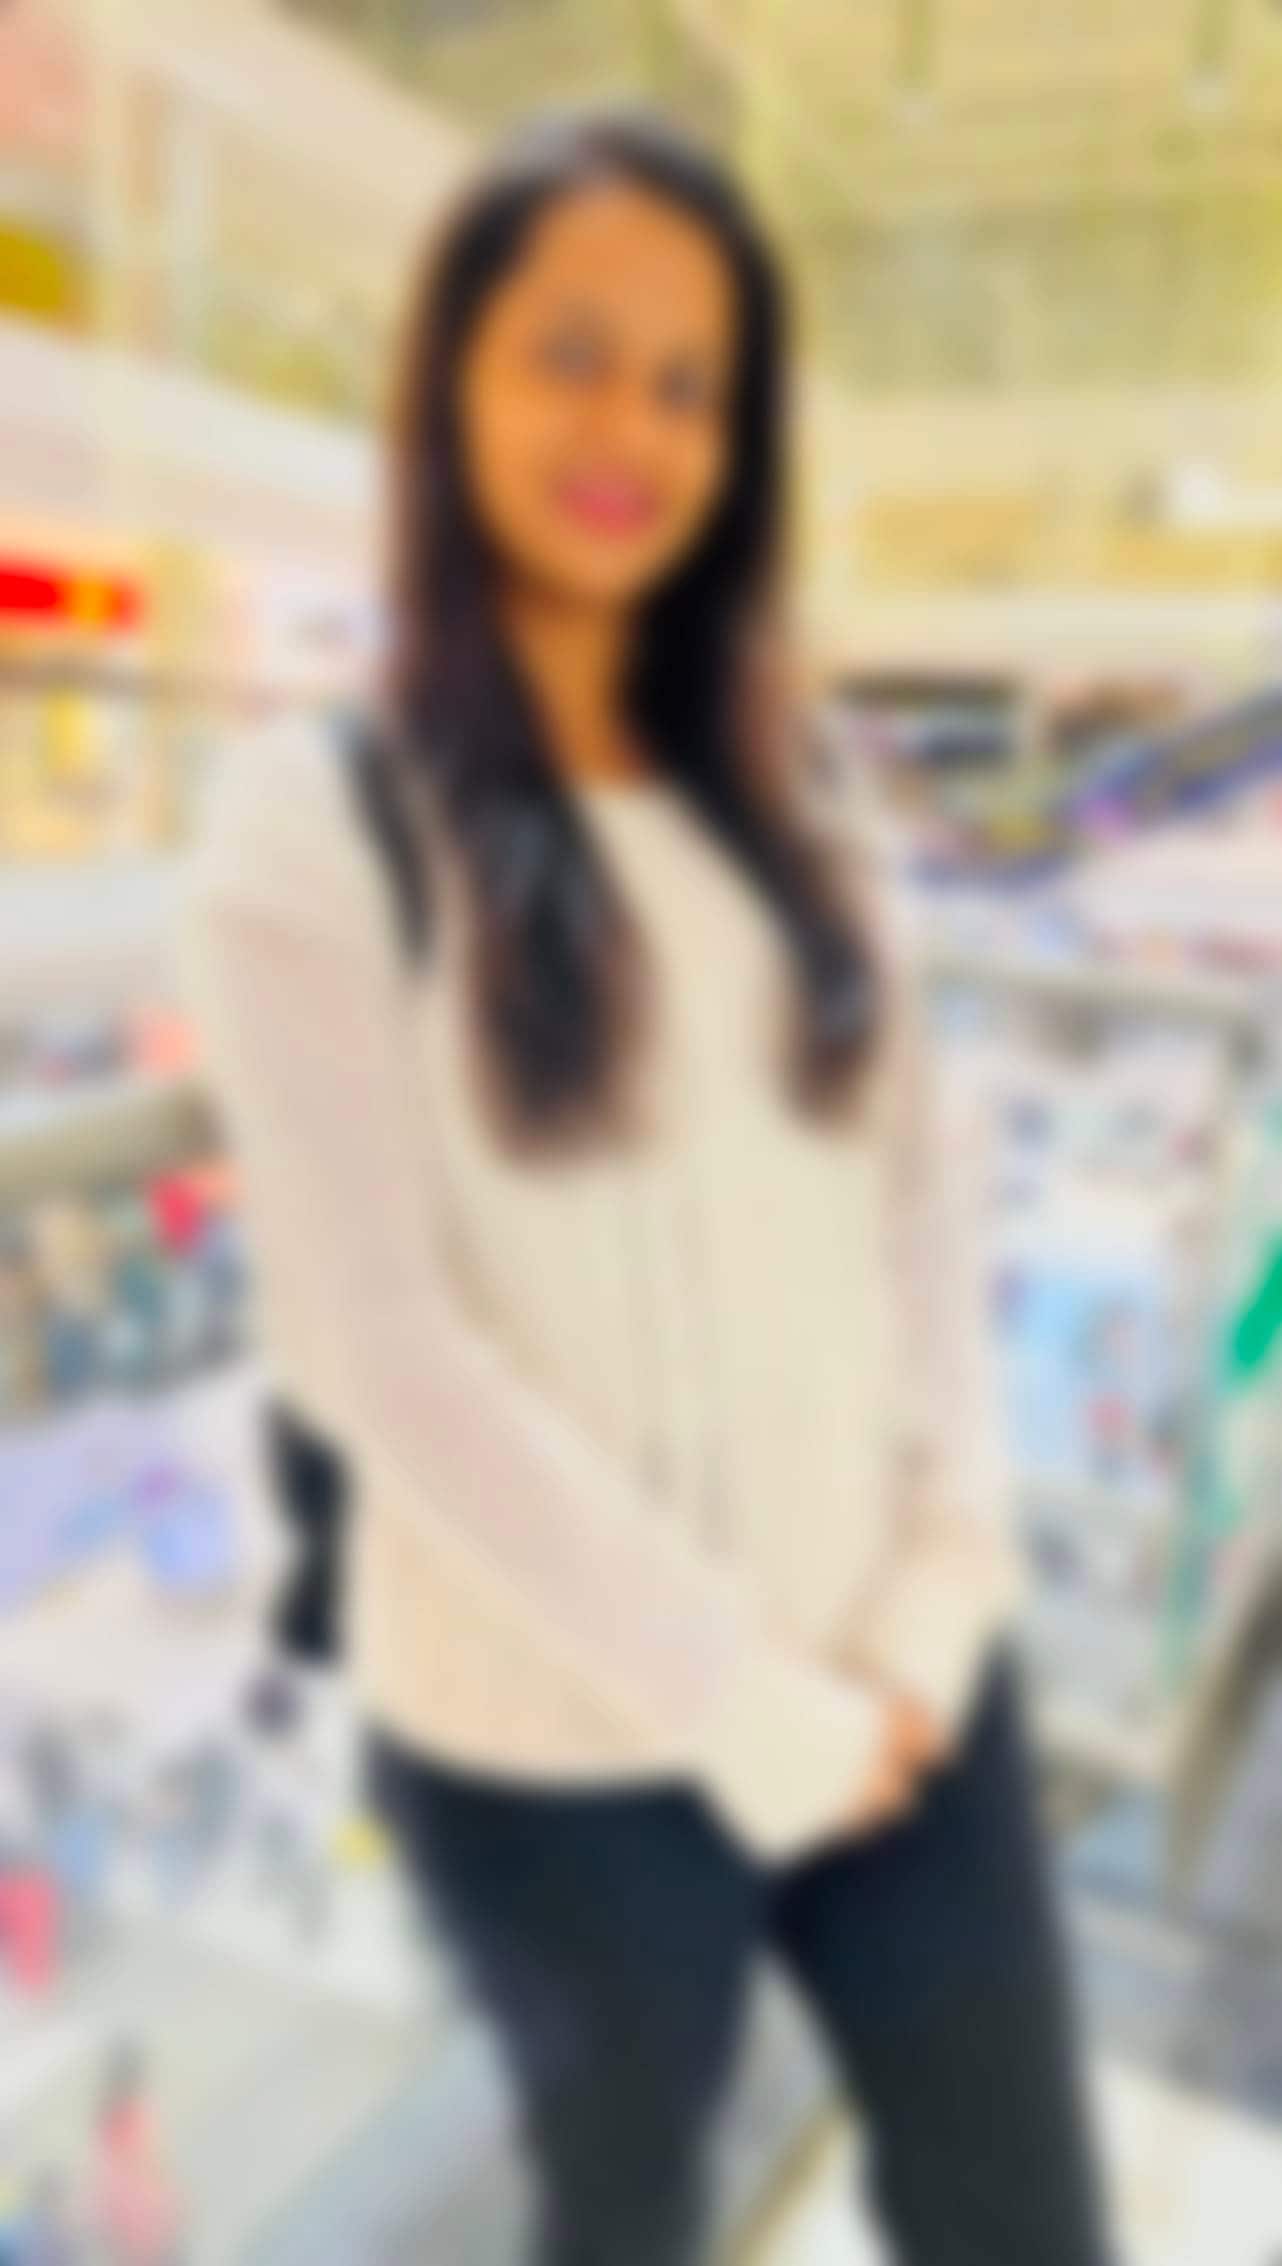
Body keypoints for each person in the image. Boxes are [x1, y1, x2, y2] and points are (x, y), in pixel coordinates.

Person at [183, 103, 1118, 2266]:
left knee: (1020, 2210)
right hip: (555, 1749)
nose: (633, 430)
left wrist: (935, 1591)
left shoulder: (805, 788)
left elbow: (918, 1200)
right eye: (571, 355)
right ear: (450, 377)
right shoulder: (317, 817)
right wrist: (738, 1704)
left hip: (894, 1672)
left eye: (691, 384)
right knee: (622, 2214)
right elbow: (373, 1345)